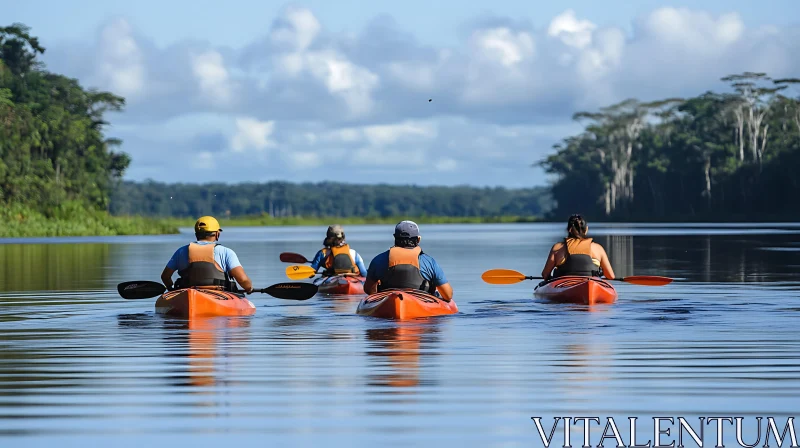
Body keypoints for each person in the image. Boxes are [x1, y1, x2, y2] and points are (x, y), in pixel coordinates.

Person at [363, 220, 453, 300]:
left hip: (388, 302)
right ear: (418, 239)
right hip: (421, 303)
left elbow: (368, 290)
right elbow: (448, 295)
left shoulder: (378, 260)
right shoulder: (429, 262)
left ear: (395, 237)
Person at [160, 216, 253, 293]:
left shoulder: (181, 251)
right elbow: (242, 280)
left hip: (188, 293)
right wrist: (249, 288)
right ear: (217, 234)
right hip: (217, 294)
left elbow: (165, 277)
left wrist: (171, 289)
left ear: (196, 234)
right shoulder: (226, 252)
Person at [541, 214, 615, 281]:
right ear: (586, 229)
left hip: (565, 285)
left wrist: (551, 278)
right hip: (591, 283)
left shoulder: (557, 248)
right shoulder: (598, 248)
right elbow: (611, 276)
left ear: (568, 230)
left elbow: (545, 274)